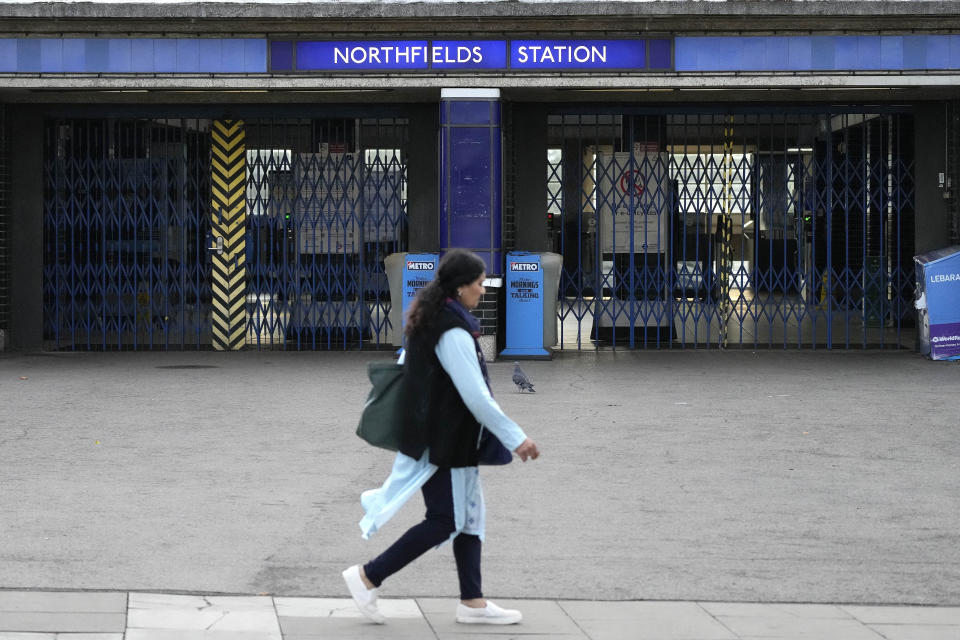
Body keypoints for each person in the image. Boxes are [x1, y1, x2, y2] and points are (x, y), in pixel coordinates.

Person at [343, 248, 540, 626]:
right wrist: (518, 438)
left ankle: (473, 603)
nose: (483, 290)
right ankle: (368, 576)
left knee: (468, 518)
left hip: (444, 437)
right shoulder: (452, 330)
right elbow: (477, 397)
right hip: (445, 441)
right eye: (480, 284)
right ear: (462, 287)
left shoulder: (432, 319)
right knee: (446, 519)